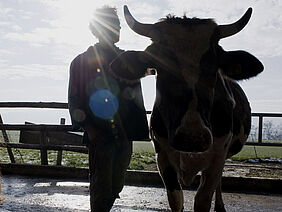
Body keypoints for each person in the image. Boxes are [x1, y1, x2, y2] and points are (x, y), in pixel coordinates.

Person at [68, 6, 149, 212]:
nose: (117, 28)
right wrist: (91, 130)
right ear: (97, 28)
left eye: (118, 25)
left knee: (116, 184)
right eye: (113, 24)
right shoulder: (80, 62)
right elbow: (74, 100)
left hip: (124, 134)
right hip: (99, 135)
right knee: (100, 186)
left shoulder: (130, 61)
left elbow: (154, 66)